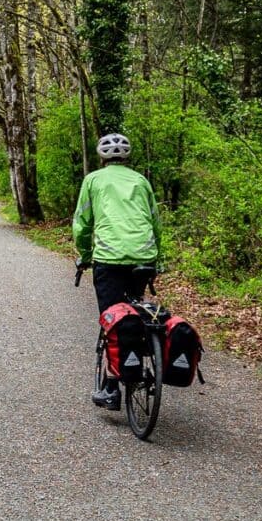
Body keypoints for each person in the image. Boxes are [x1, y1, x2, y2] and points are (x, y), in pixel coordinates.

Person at [72, 133, 162, 410]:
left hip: (109, 259)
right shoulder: (140, 180)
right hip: (143, 257)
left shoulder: (94, 180)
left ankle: (111, 388)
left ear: (102, 157)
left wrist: (85, 255)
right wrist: (156, 256)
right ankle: (142, 352)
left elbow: (83, 223)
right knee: (135, 309)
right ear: (127, 157)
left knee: (113, 318)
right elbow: (155, 221)